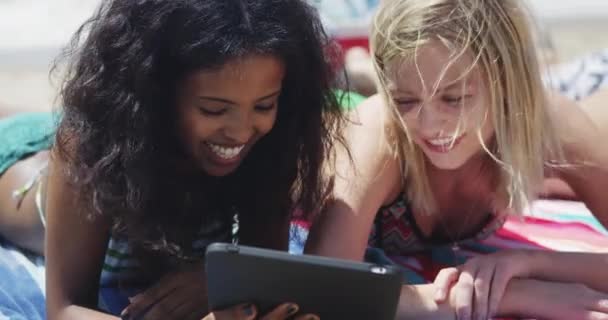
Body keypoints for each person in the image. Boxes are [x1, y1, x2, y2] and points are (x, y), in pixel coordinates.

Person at [305, 0, 608, 319]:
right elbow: (324, 293)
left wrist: (529, 262)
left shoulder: (546, 123)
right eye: (405, 100)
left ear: (505, 81)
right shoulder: (381, 135)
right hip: (329, 121)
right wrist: (512, 294)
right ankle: (357, 74)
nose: (429, 125)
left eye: (454, 98)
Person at [43, 0, 346, 319]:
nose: (241, 131)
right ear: (156, 93)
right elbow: (64, 309)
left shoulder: (269, 144)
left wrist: (219, 280)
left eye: (263, 105)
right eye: (214, 110)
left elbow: (259, 272)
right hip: (29, 183)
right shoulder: (90, 143)